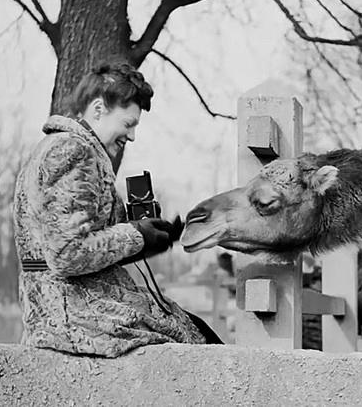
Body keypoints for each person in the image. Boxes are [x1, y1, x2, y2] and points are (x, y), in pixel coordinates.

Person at [13, 60, 222, 358]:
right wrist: (137, 235)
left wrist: (152, 240)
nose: (133, 136)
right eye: (129, 124)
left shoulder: (65, 149)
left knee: (194, 328)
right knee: (194, 339)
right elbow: (67, 254)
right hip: (71, 308)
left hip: (72, 299)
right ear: (99, 109)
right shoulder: (72, 151)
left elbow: (91, 245)